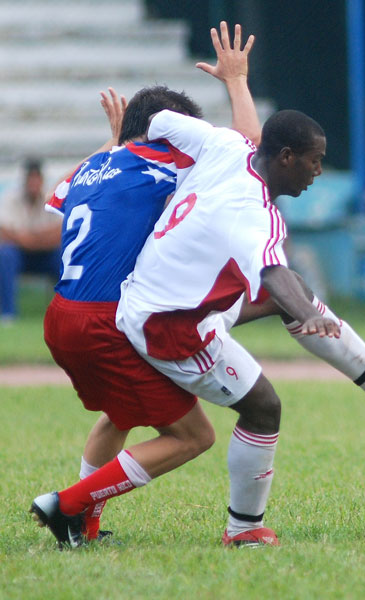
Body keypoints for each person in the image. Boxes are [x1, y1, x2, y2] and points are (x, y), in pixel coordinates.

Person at [31, 30, 365, 550]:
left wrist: (221, 88)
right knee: (247, 413)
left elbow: (168, 124)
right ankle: (222, 526)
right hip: (164, 326)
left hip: (127, 302)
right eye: (315, 160)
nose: (321, 171)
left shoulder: (211, 148)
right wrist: (310, 313)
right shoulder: (245, 206)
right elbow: (274, 273)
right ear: (286, 157)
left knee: (122, 411)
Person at [29, 22, 261, 547]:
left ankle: (80, 526)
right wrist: (237, 81)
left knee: (120, 411)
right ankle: (67, 505)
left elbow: (64, 203)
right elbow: (249, 153)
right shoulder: (164, 164)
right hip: (108, 321)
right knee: (193, 436)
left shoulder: (92, 166)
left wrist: (113, 143)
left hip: (61, 315)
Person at [0, 158, 62, 322]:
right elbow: (4, 231)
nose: (33, 183)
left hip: (45, 255)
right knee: (5, 255)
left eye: (37, 178)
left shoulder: (51, 197)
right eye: (30, 179)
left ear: (41, 180)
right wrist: (38, 238)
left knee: (64, 255)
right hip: (20, 256)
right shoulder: (10, 198)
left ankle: (64, 311)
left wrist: (27, 238)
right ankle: (8, 314)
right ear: (25, 181)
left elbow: (59, 233)